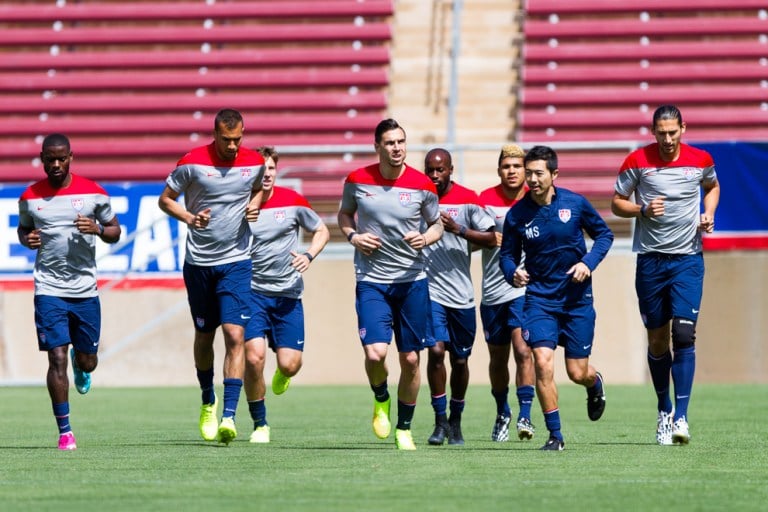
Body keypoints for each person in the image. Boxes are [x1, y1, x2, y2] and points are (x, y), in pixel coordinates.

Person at [611, 105, 720, 446]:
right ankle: (664, 410)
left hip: (688, 260)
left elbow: (712, 186)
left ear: (683, 129)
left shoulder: (700, 159)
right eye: (662, 133)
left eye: (673, 132)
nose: (668, 139)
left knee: (684, 335)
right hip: (650, 262)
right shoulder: (637, 162)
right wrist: (641, 209)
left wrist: (708, 212)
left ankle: (682, 419)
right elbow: (616, 202)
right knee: (658, 340)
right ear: (654, 131)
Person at [158, 108, 264, 445]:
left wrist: (255, 204)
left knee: (235, 335)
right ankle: (208, 400)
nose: (233, 146)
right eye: (226, 140)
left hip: (236, 261)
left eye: (238, 139)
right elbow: (165, 200)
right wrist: (189, 217)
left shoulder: (254, 162)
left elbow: (261, 189)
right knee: (205, 335)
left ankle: (229, 417)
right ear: (214, 134)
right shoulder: (191, 162)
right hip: (200, 264)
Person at [337, 118, 444, 450]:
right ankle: (380, 397)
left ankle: (404, 428)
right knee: (374, 353)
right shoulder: (357, 180)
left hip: (412, 282)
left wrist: (425, 238)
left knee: (411, 360)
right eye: (390, 143)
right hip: (372, 281)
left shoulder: (423, 185)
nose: (397, 148)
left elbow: (437, 224)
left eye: (401, 142)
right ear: (377, 146)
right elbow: (344, 216)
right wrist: (354, 236)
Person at [500, 145, 613, 451]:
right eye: (529, 173)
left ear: (554, 174)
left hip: (576, 302)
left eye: (539, 173)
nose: (532, 179)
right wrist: (513, 273)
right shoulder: (517, 215)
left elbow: (605, 235)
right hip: (539, 301)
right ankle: (555, 435)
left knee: (577, 372)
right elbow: (507, 256)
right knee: (542, 361)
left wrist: (587, 264)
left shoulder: (575, 204)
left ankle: (594, 383)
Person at [17, 133, 122, 450]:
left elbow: (115, 231)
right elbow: (23, 228)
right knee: (55, 358)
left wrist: (99, 229)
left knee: (88, 361)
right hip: (48, 288)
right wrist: (27, 239)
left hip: (85, 290)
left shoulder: (93, 194)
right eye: (51, 159)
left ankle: (83, 361)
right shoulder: (30, 197)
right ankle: (65, 431)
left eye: (62, 158)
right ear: (42, 158)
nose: (57, 164)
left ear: (71, 157)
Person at [243, 146, 330, 444]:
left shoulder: (292, 201)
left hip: (288, 296)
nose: (266, 174)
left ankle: (284, 371)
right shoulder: (242, 205)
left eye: (270, 169)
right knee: (253, 359)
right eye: (260, 170)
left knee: (290, 364)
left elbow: (322, 231)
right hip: (252, 295)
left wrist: (309, 254)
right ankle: (260, 424)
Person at [422, 148, 496, 446]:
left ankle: (456, 420)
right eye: (430, 169)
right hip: (429, 292)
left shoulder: (468, 199)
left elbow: (491, 238)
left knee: (461, 360)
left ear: (451, 169)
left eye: (440, 170)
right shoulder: (418, 199)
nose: (435, 175)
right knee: (436, 352)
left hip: (462, 295)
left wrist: (459, 229)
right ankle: (439, 422)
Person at [477, 144, 537, 443]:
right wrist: (486, 239)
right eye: (506, 166)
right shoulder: (485, 200)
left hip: (524, 290)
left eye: (517, 166)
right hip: (492, 292)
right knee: (498, 359)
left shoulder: (535, 198)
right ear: (499, 169)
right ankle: (503, 410)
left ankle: (525, 414)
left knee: (524, 350)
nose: (511, 171)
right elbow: (473, 241)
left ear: (525, 169)